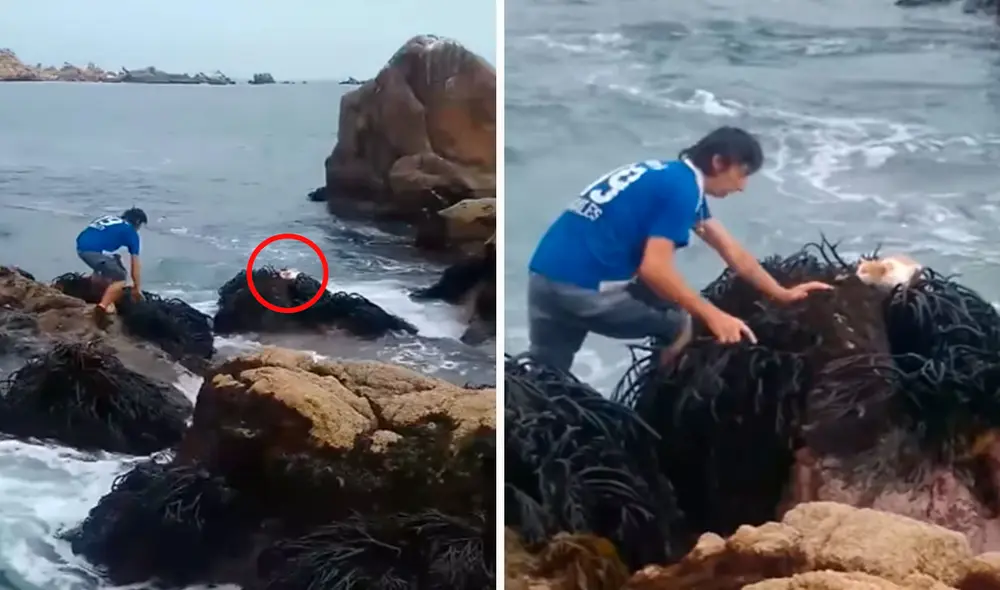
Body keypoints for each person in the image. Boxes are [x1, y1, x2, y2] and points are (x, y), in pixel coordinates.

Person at [526, 126, 833, 374]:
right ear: (718, 163)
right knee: (680, 322)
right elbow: (654, 269)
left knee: (547, 374)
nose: (742, 187)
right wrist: (713, 315)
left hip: (541, 277)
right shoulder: (682, 189)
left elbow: (732, 251)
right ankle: (657, 406)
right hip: (585, 292)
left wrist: (781, 293)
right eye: (742, 174)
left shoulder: (665, 174)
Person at [76, 207, 148, 315]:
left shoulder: (109, 218)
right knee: (120, 277)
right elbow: (135, 265)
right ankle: (102, 307)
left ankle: (96, 292)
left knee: (112, 261)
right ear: (138, 222)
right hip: (92, 251)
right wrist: (136, 289)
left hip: (81, 246)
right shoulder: (131, 232)